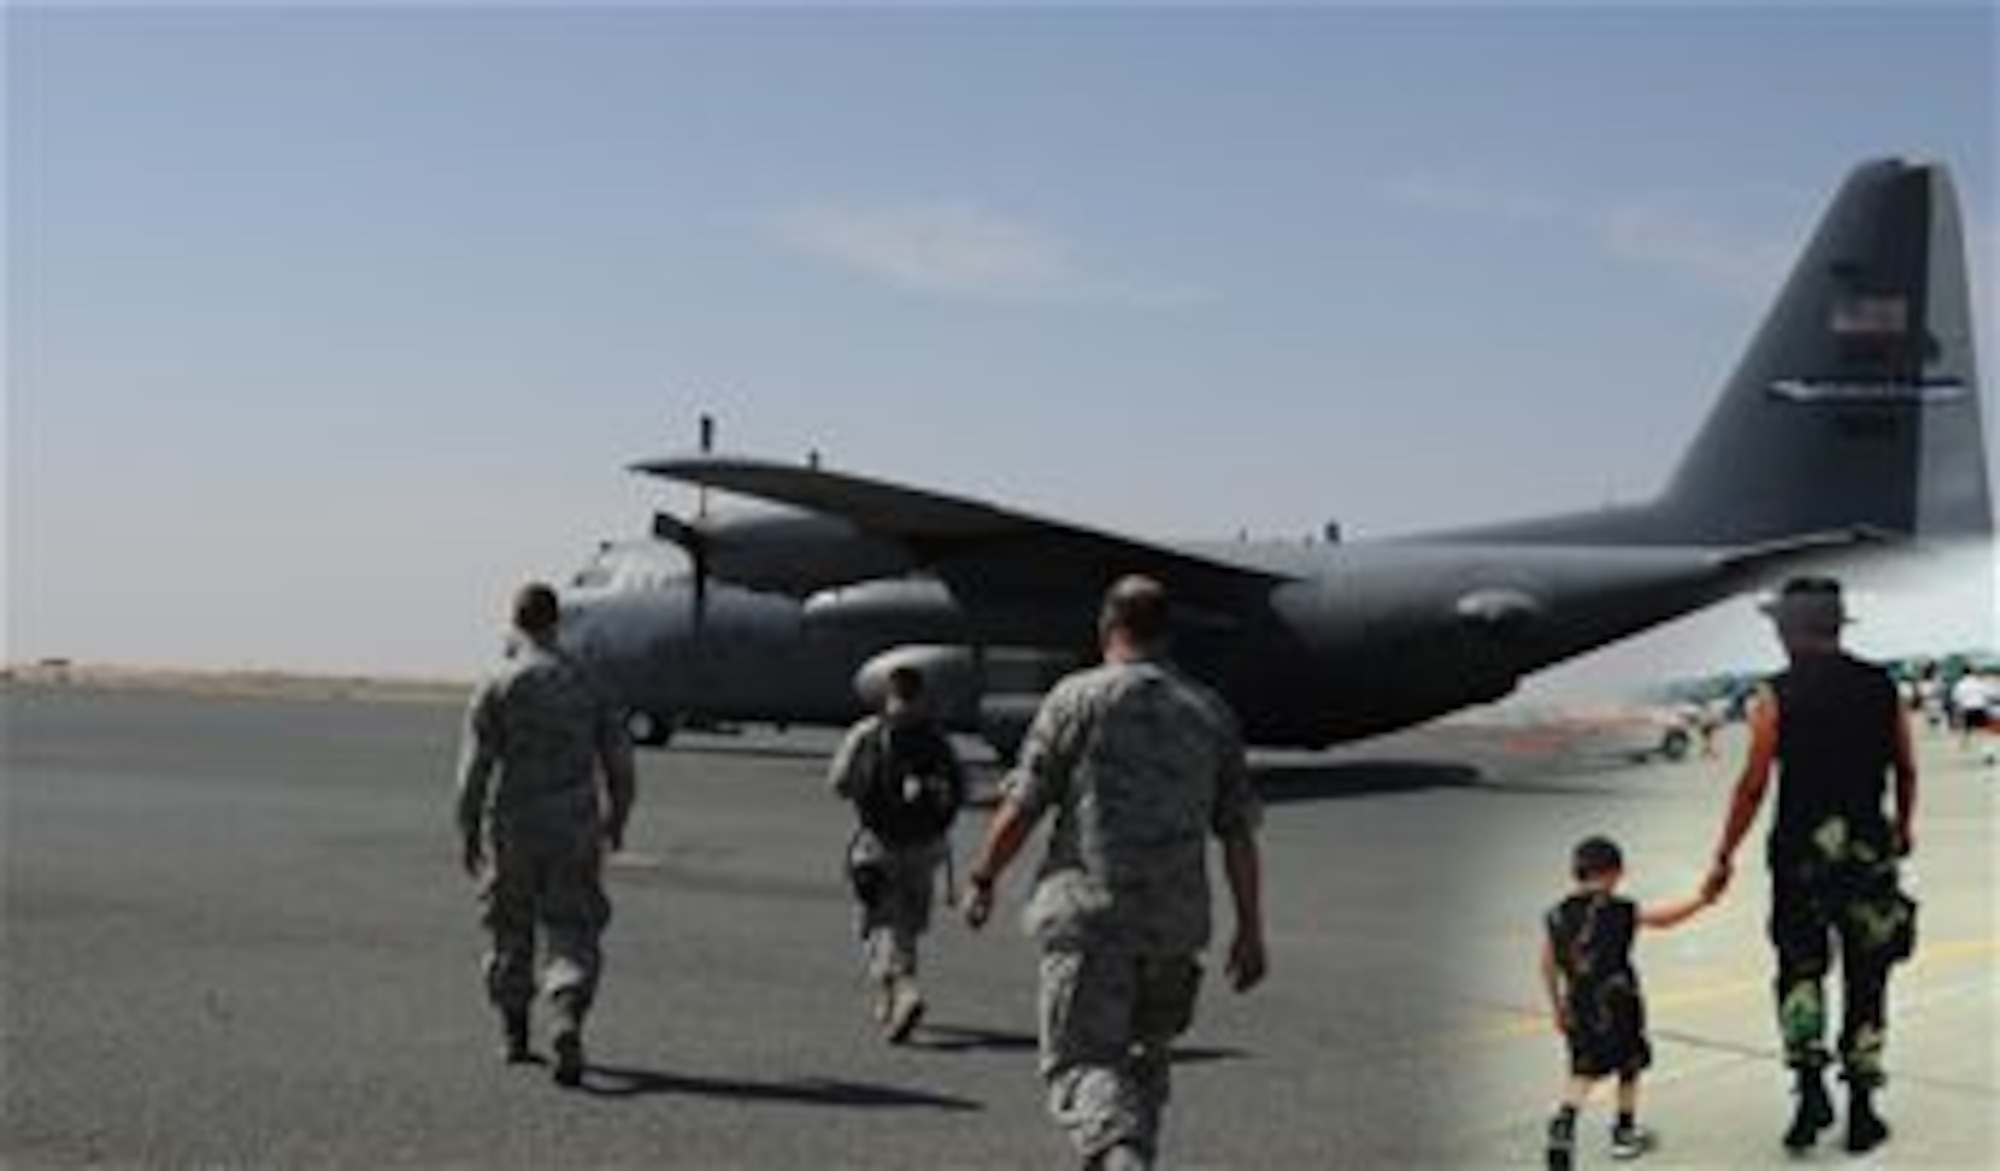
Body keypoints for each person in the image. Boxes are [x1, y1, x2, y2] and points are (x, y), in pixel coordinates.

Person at [961, 575, 1267, 1171]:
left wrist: (983, 876)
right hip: (1174, 931)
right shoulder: (1209, 712)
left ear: (1108, 627)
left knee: (1082, 1066)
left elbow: (1024, 804)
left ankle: (1121, 1160)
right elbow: (1238, 834)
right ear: (1166, 633)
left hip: (1091, 925)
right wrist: (1251, 929)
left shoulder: (1077, 699)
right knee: (1143, 1066)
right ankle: (1126, 1158)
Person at [1704, 576, 1917, 1153]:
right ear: (1836, 625)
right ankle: (1864, 1111)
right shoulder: (1882, 686)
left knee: (1801, 972)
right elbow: (1906, 765)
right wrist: (1903, 825)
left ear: (1789, 628)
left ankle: (1809, 1093)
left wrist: (1725, 853)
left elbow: (1752, 784)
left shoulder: (1774, 694)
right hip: (1869, 855)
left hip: (1799, 857)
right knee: (1867, 976)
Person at [456, 582, 636, 1087]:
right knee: (572, 927)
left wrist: (467, 828)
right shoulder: (589, 682)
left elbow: (473, 769)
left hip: (513, 822)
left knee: (509, 928)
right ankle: (566, 1019)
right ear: (558, 621)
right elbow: (620, 764)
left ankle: (515, 1035)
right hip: (574, 824)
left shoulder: (498, 682)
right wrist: (617, 819)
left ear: (515, 621)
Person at [1540, 836, 1713, 1169]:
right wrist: (1701, 900)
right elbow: (1664, 919)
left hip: (1578, 1003)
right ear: (1615, 872)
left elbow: (1546, 964)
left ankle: (1563, 1124)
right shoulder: (1621, 909)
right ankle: (1624, 1133)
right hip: (1619, 1000)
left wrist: (1557, 1007)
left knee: (1583, 1067)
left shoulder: (1556, 915)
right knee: (1629, 1064)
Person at [827, 664, 966, 1043]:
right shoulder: (937, 738)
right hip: (927, 846)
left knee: (881, 922)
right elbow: (960, 790)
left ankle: (905, 990)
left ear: (887, 693)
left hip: (880, 842)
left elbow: (839, 784)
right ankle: (889, 1001)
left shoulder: (870, 732)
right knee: (907, 925)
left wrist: (868, 792)